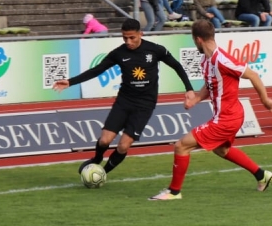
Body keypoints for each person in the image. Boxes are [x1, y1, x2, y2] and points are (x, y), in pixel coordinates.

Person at [151, 19, 272, 201]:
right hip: (228, 115)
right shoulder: (206, 60)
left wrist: (265, 100)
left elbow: (253, 75)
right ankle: (261, 175)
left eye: (194, 40)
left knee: (181, 146)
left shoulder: (222, 60)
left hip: (227, 118)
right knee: (221, 150)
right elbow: (210, 85)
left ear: (198, 39)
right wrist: (195, 100)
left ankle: (174, 191)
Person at [55, 18, 196, 178]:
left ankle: (102, 173)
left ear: (140, 34)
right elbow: (97, 70)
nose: (128, 42)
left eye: (132, 37)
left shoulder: (155, 50)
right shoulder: (119, 53)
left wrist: (189, 88)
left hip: (145, 104)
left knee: (123, 146)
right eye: (125, 38)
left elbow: (177, 66)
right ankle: (97, 158)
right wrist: (70, 82)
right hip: (124, 101)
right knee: (104, 141)